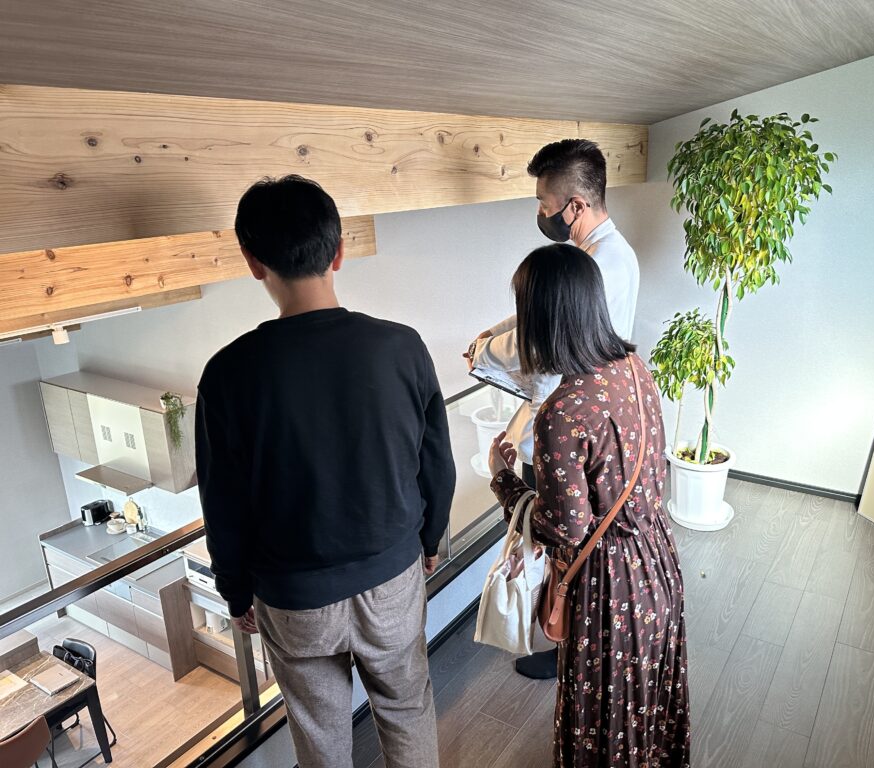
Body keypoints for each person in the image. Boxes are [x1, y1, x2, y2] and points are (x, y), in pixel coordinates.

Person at [196, 175, 455, 768]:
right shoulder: (402, 347)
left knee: (320, 734)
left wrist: (235, 590)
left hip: (293, 596)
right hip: (392, 575)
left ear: (253, 261)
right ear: (338, 251)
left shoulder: (227, 374)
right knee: (407, 709)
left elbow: (223, 502)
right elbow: (434, 461)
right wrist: (429, 539)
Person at [487, 243, 689, 767]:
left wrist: (503, 480)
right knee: (645, 712)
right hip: (656, 564)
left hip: (610, 588)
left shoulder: (563, 410)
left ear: (543, 318)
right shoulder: (634, 368)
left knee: (603, 720)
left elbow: (565, 530)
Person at [467, 137, 640, 679]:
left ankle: (561, 638)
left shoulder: (600, 263)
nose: (541, 214)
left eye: (545, 204)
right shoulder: (602, 256)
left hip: (567, 428)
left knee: (557, 534)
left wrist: (484, 352)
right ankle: (562, 635)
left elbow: (543, 343)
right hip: (583, 425)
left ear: (576, 205)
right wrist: (492, 333)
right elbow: (538, 315)